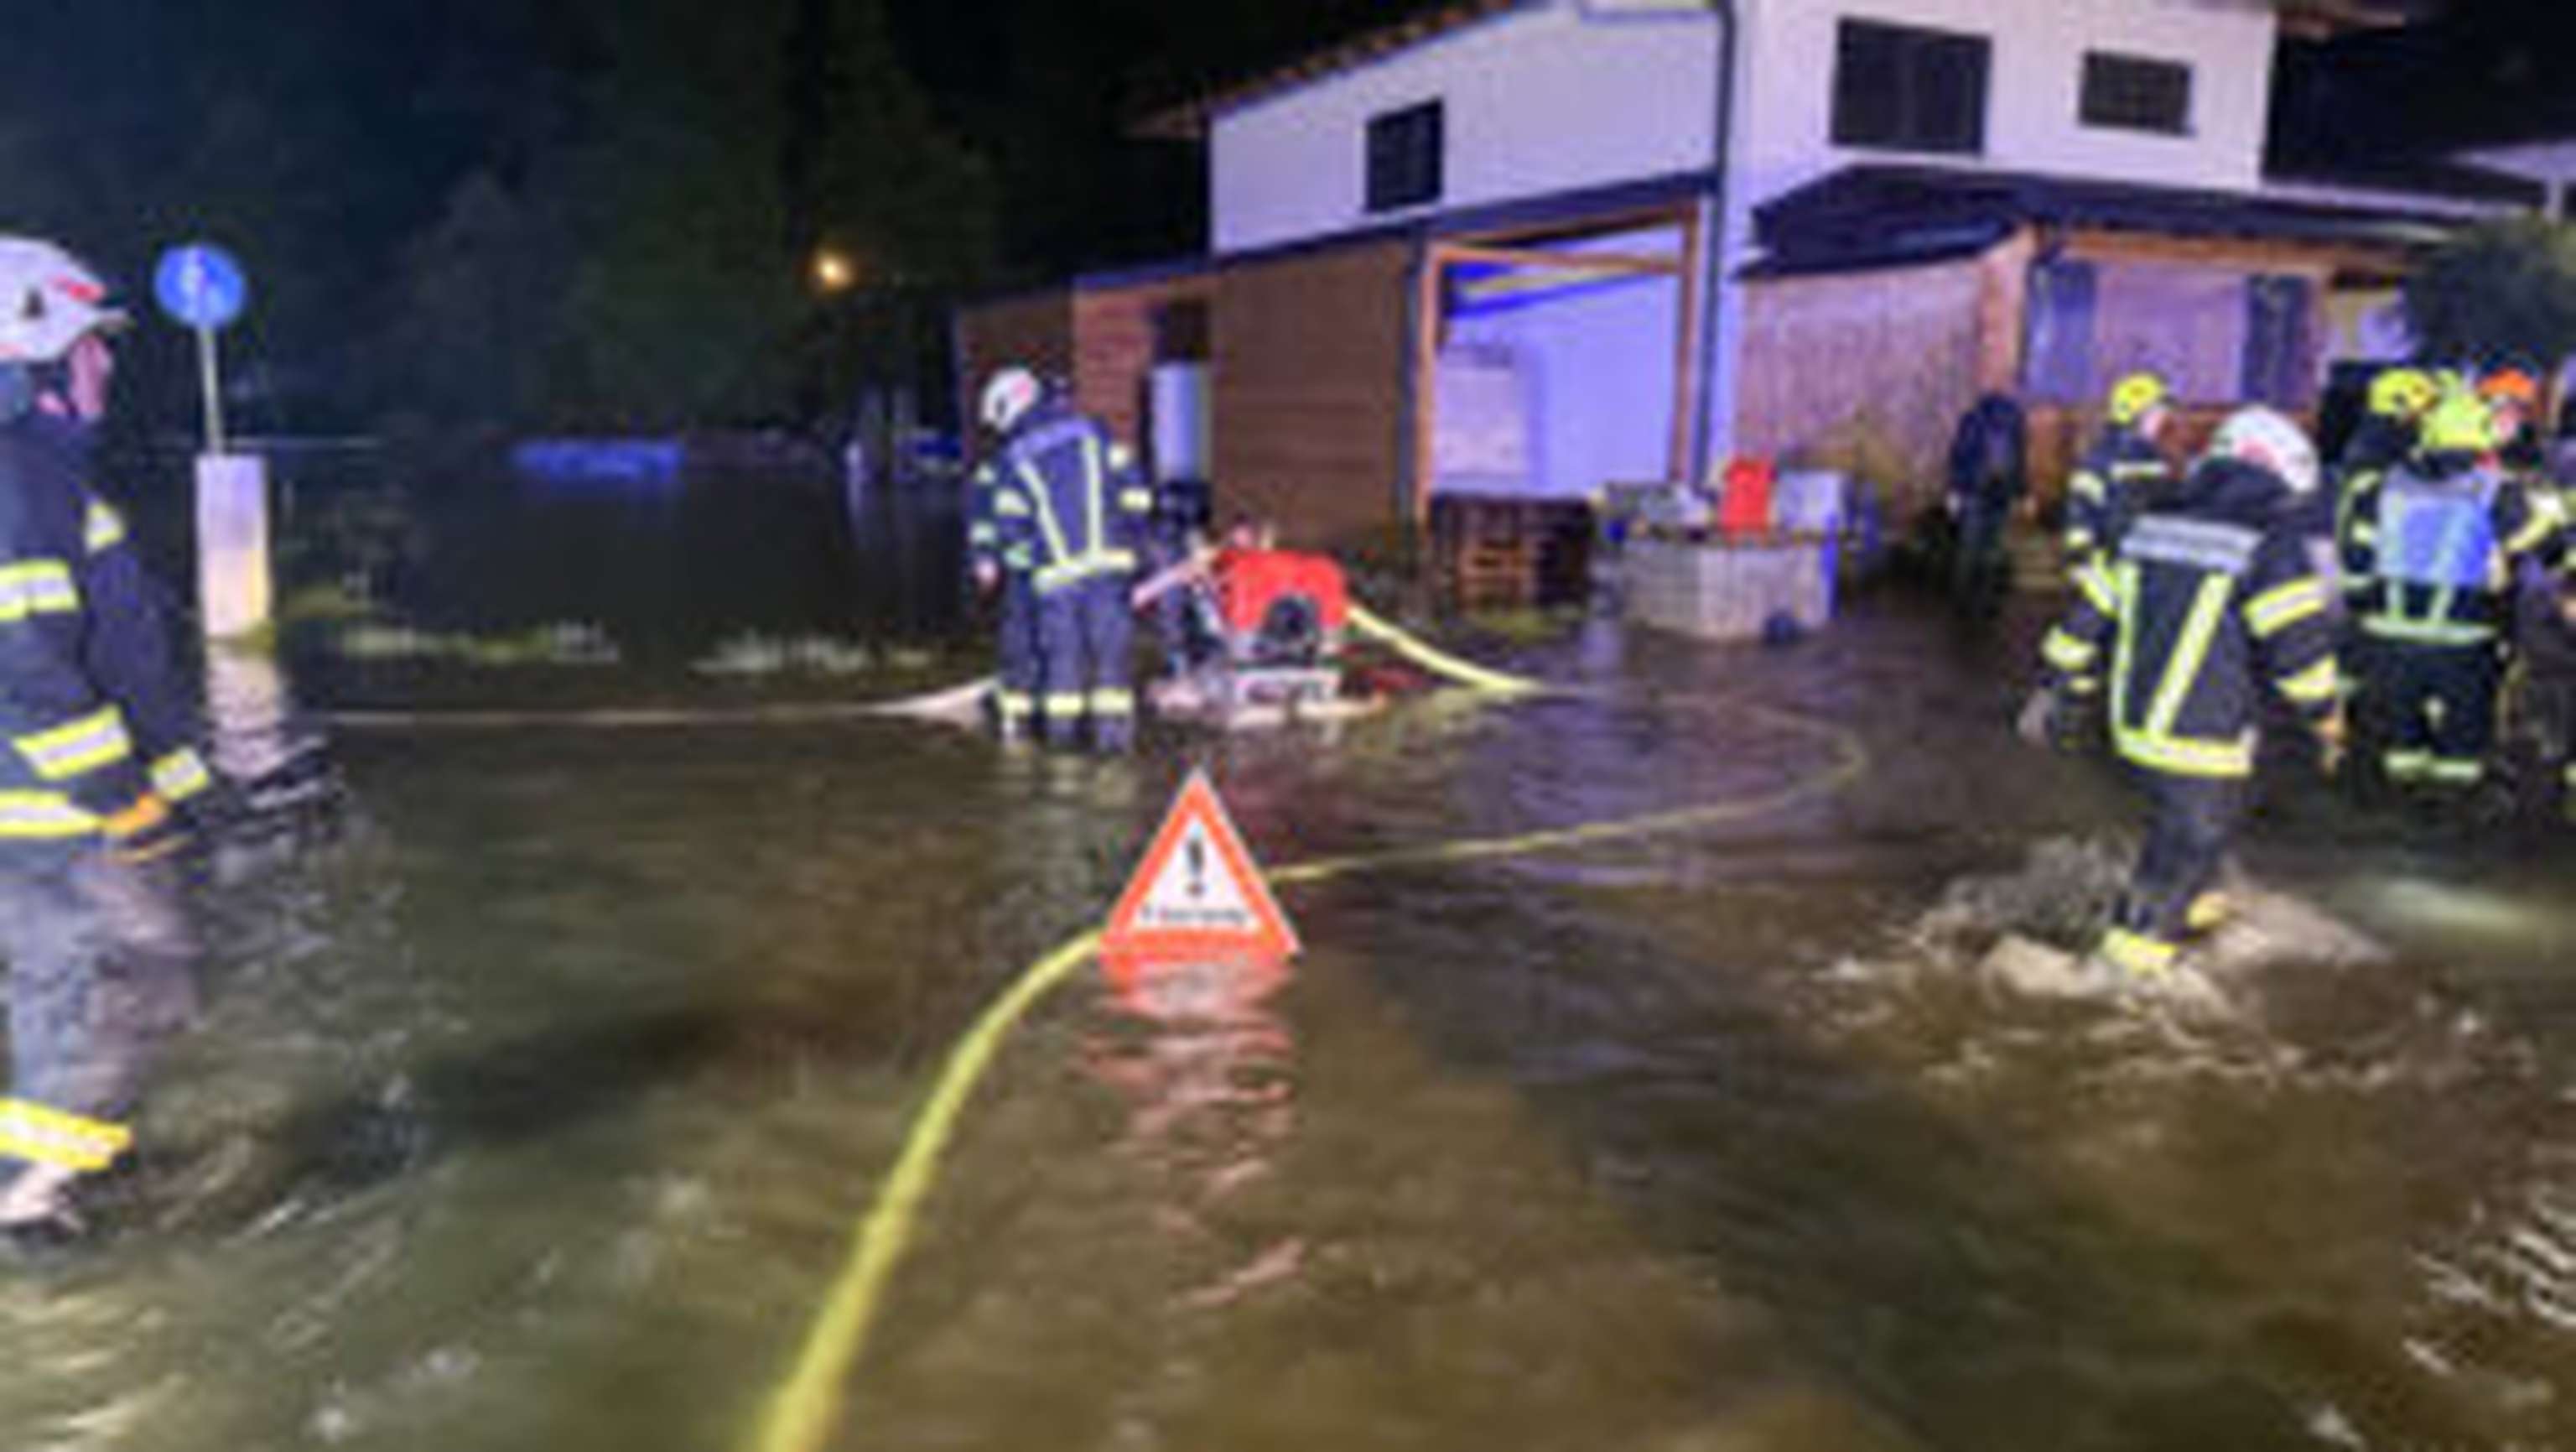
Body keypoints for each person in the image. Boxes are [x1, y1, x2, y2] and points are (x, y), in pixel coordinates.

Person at [0, 237, 215, 1234]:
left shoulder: (42, 473)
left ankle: (62, 1170)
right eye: (92, 344)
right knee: (114, 987)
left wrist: (183, 786)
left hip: (59, 812)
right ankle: (35, 1198)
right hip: (54, 819)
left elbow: (119, 656)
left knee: (100, 988)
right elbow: (29, 666)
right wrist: (122, 798)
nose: (108, 364)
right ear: (31, 352)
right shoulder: (19, 480)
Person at [2026, 407, 2345, 983]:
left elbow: (2088, 615)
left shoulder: (2151, 520)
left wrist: (2057, 685)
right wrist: (2325, 716)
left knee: (2191, 827)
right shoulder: (2270, 539)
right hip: (2203, 737)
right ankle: (2123, 983)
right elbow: (2299, 651)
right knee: (2187, 846)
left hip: (2133, 727)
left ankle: (2189, 907)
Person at [2342, 388, 2566, 794]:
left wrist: (2360, 609)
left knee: (2401, 730)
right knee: (2462, 734)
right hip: (2462, 635)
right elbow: (2542, 546)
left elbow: (2357, 558)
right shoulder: (2495, 490)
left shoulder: (2382, 486)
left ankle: (2401, 802)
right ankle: (2451, 809)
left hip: (2388, 632)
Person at [981, 367, 1152, 752]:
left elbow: (1011, 530)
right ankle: (1114, 754)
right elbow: (1136, 493)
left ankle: (1063, 762)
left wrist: (1023, 570)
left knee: (1064, 673)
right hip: (1110, 572)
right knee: (1112, 668)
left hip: (1057, 581)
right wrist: (1131, 547)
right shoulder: (1094, 432)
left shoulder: (1014, 457)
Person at [967, 369, 1043, 742]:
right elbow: (983, 513)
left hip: (1045, 570)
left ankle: (1022, 719)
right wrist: (984, 555)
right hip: (1028, 569)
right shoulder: (999, 466)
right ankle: (1022, 718)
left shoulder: (1036, 453)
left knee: (1034, 641)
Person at [2062, 371, 2175, 570]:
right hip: (2110, 560)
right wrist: (2080, 549)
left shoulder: (2154, 457)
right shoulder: (2103, 459)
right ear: (2135, 414)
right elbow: (2082, 506)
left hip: (2144, 559)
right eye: (2156, 414)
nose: (2162, 421)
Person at [1944, 392, 2027, 617]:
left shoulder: (1972, 421)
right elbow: (2019, 463)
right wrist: (2021, 493)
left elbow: (1958, 456)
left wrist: (1954, 490)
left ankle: (1965, 602)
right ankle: (1985, 602)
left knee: (1971, 549)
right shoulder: (2014, 425)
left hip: (1976, 491)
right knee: (1991, 550)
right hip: (1998, 493)